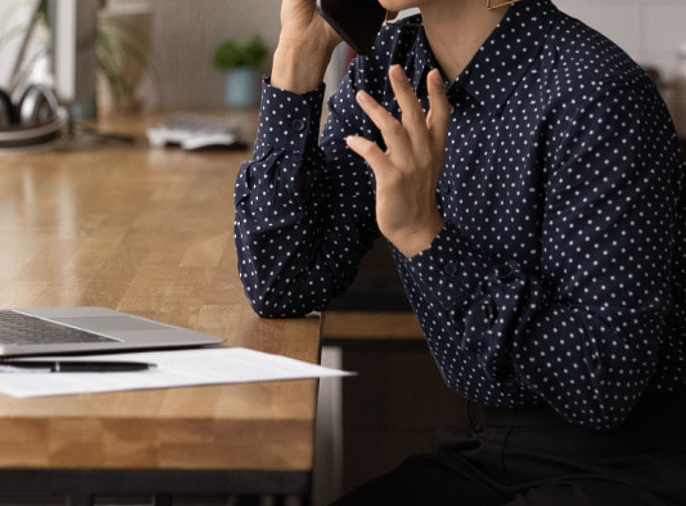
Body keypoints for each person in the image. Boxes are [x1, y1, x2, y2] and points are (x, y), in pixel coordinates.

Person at [233, 0, 686, 504]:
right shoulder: (392, 69)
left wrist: (426, 238)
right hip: (486, 455)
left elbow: (603, 382)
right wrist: (300, 53)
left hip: (624, 469)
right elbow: (282, 282)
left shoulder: (596, 92)